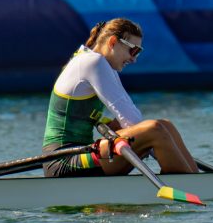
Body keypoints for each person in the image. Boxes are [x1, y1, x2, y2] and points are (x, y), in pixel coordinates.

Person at [43, 18, 198, 177]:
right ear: (112, 42)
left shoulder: (98, 63)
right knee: (156, 129)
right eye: (133, 50)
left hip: (83, 152)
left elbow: (126, 115)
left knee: (166, 125)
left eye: (138, 52)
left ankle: (195, 180)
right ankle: (191, 185)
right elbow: (131, 119)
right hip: (63, 160)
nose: (134, 59)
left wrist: (144, 136)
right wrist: (158, 144)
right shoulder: (93, 62)